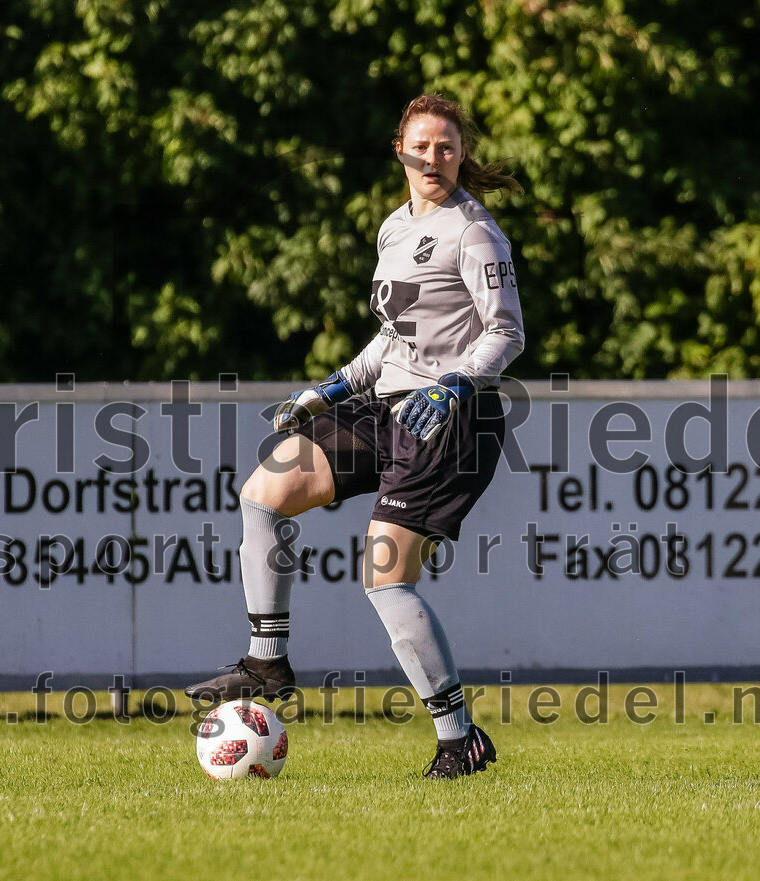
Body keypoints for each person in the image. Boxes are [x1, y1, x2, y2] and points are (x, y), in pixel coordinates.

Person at [186, 94, 525, 779]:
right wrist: (335, 386)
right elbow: (394, 335)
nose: (434, 157)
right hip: (385, 403)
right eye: (421, 146)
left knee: (384, 578)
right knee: (263, 492)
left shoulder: (475, 231)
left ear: (462, 153)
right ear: (399, 150)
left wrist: (455, 384)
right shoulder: (394, 228)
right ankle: (267, 661)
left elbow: (506, 332)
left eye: (447, 146)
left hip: (450, 418)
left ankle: (458, 738)